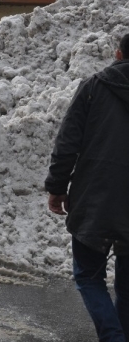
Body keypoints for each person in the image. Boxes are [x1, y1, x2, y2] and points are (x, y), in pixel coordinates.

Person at [45, 33, 129, 341]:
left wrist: (57, 186)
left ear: (118, 54)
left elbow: (68, 143)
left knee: (88, 276)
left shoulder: (94, 87)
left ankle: (113, 337)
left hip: (96, 200)